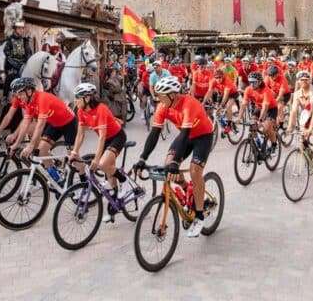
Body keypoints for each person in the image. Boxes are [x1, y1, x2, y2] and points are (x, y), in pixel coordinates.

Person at [134, 76, 214, 238]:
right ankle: (186, 189)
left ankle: (199, 216)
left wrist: (176, 163)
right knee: (167, 165)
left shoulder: (188, 104)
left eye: (162, 96)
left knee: (194, 170)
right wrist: (143, 158)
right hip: (187, 135)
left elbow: (184, 136)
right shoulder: (163, 106)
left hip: (203, 136)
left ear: (173, 95)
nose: (159, 100)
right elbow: (154, 134)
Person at [0, 78, 78, 185]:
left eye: (20, 93)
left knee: (74, 159)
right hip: (55, 124)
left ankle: (85, 178)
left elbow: (40, 125)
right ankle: (58, 180)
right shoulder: (29, 103)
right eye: (17, 94)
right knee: (42, 151)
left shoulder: (42, 99)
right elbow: (25, 123)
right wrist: (16, 144)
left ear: (29, 91)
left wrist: (30, 146)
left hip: (69, 122)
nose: (18, 97)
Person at [70, 82, 130, 223]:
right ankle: (114, 208)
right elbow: (80, 135)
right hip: (106, 139)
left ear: (87, 98)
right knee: (109, 177)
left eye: (77, 98)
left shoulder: (101, 109)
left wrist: (97, 160)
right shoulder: (81, 111)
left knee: (103, 164)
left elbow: (102, 137)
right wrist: (74, 151)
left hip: (117, 137)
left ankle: (125, 180)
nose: (75, 101)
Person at [239, 71, 279, 154]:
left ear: (260, 82)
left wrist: (260, 121)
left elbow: (265, 108)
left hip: (271, 109)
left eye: (254, 82)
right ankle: (258, 144)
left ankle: (274, 144)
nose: (252, 84)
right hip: (259, 108)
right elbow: (243, 104)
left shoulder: (266, 91)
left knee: (267, 128)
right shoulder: (248, 89)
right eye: (250, 82)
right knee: (252, 126)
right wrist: (239, 118)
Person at [3, 21, 32, 97]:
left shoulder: (25, 41)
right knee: (10, 77)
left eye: (22, 28)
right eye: (19, 28)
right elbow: (7, 55)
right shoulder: (9, 41)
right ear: (15, 29)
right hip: (11, 66)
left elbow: (29, 53)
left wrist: (27, 63)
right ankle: (5, 97)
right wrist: (17, 65)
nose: (21, 30)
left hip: (24, 65)